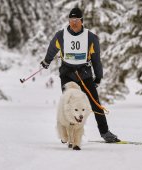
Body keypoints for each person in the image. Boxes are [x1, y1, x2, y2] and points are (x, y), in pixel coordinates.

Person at [40, 7, 120, 143]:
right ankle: (67, 134)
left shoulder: (91, 37)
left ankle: (105, 132)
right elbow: (52, 48)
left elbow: (96, 59)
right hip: (67, 74)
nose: (73, 22)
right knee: (69, 104)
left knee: (95, 104)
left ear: (82, 21)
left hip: (84, 74)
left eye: (76, 20)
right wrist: (47, 61)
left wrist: (98, 76)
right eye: (71, 20)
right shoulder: (61, 35)